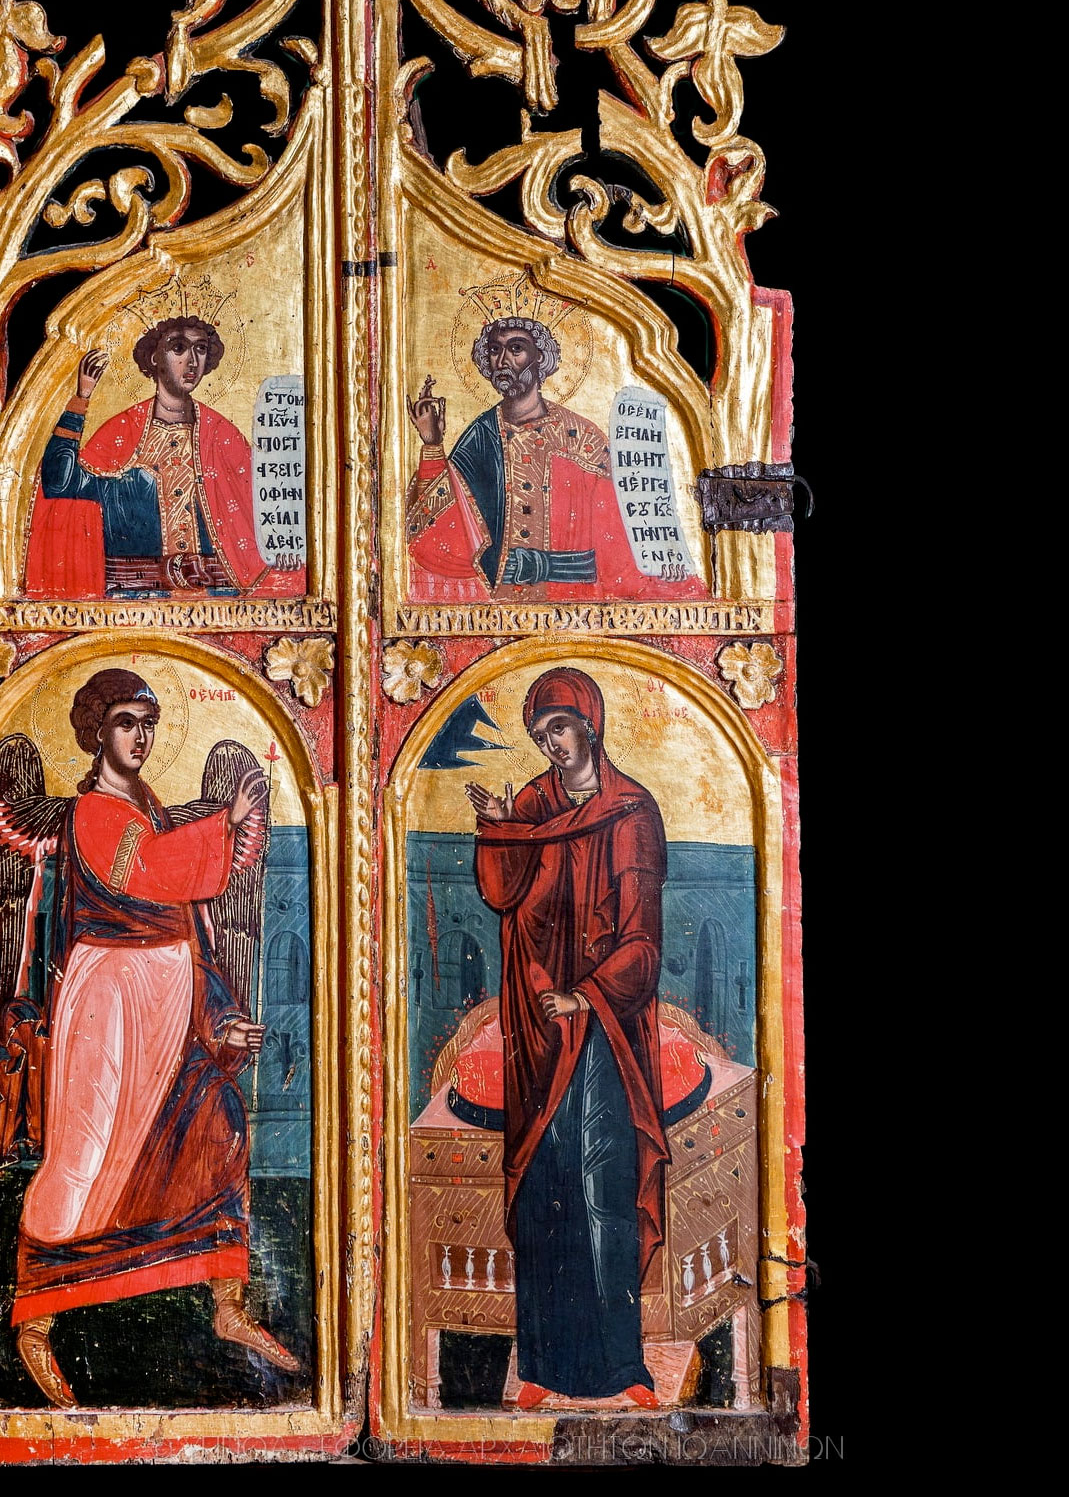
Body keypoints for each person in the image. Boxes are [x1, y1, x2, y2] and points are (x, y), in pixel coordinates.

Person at [0, 667, 301, 1405]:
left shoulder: (153, 807)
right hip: (111, 999)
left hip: (171, 995)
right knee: (86, 1159)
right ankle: (35, 1316)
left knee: (218, 1124)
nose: (141, 736)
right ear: (96, 732)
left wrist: (219, 1015)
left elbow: (190, 929)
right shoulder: (92, 812)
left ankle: (228, 1303)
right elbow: (154, 874)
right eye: (126, 722)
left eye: (149, 722)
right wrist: (225, 823)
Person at [468, 667, 668, 1407]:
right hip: (538, 1028)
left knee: (604, 1188)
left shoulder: (631, 812)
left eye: (560, 726)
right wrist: (499, 828)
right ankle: (543, 1368)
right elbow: (501, 894)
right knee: (544, 1186)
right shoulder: (531, 803)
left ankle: (624, 1368)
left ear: (590, 723)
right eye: (540, 731)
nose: (551, 742)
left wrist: (586, 994)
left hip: (604, 1026)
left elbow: (642, 939)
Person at [406, 317, 705, 601]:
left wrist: (658, 572)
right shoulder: (480, 437)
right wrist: (432, 445)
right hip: (498, 606)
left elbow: (617, 543)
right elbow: (439, 536)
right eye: (495, 350)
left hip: (573, 604)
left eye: (516, 348)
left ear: (539, 358)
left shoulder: (581, 437)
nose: (503, 360)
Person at [25, 317, 305, 598]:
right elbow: (59, 485)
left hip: (218, 601)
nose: (192, 361)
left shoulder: (221, 435)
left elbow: (261, 508)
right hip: (134, 602)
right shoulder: (124, 432)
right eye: (179, 348)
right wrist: (81, 399)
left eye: (201, 349)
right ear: (155, 356)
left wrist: (281, 550)